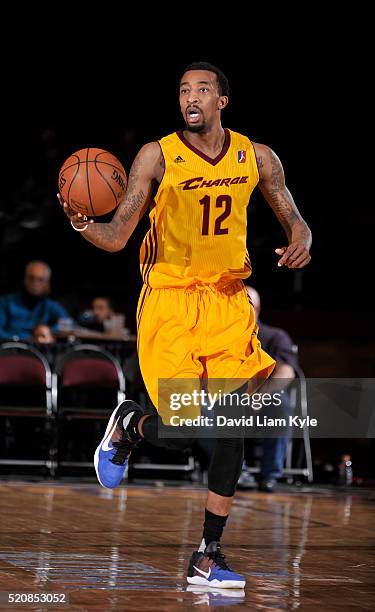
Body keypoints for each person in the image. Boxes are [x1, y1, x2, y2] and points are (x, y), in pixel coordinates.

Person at [58, 61, 312, 589]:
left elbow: (291, 211)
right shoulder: (157, 154)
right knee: (183, 433)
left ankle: (207, 554)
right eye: (182, 91)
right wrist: (85, 224)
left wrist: (302, 234)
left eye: (201, 90)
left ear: (222, 100)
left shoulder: (255, 156)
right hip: (170, 302)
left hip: (225, 302)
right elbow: (118, 234)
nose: (190, 97)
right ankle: (132, 425)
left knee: (232, 428)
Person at [237, 286, 299, 492]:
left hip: (260, 401)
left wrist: (259, 396)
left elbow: (287, 371)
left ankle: (270, 474)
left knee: (280, 403)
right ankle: (237, 471)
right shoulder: (219, 337)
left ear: (258, 309)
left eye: (248, 306)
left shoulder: (274, 336)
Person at [0, 260, 69, 341]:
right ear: (25, 279)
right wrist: (19, 339)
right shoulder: (6, 302)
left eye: (40, 279)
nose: (35, 283)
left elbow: (67, 324)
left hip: (39, 348)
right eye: (31, 278)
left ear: (47, 283)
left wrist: (48, 330)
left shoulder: (49, 305)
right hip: (11, 346)